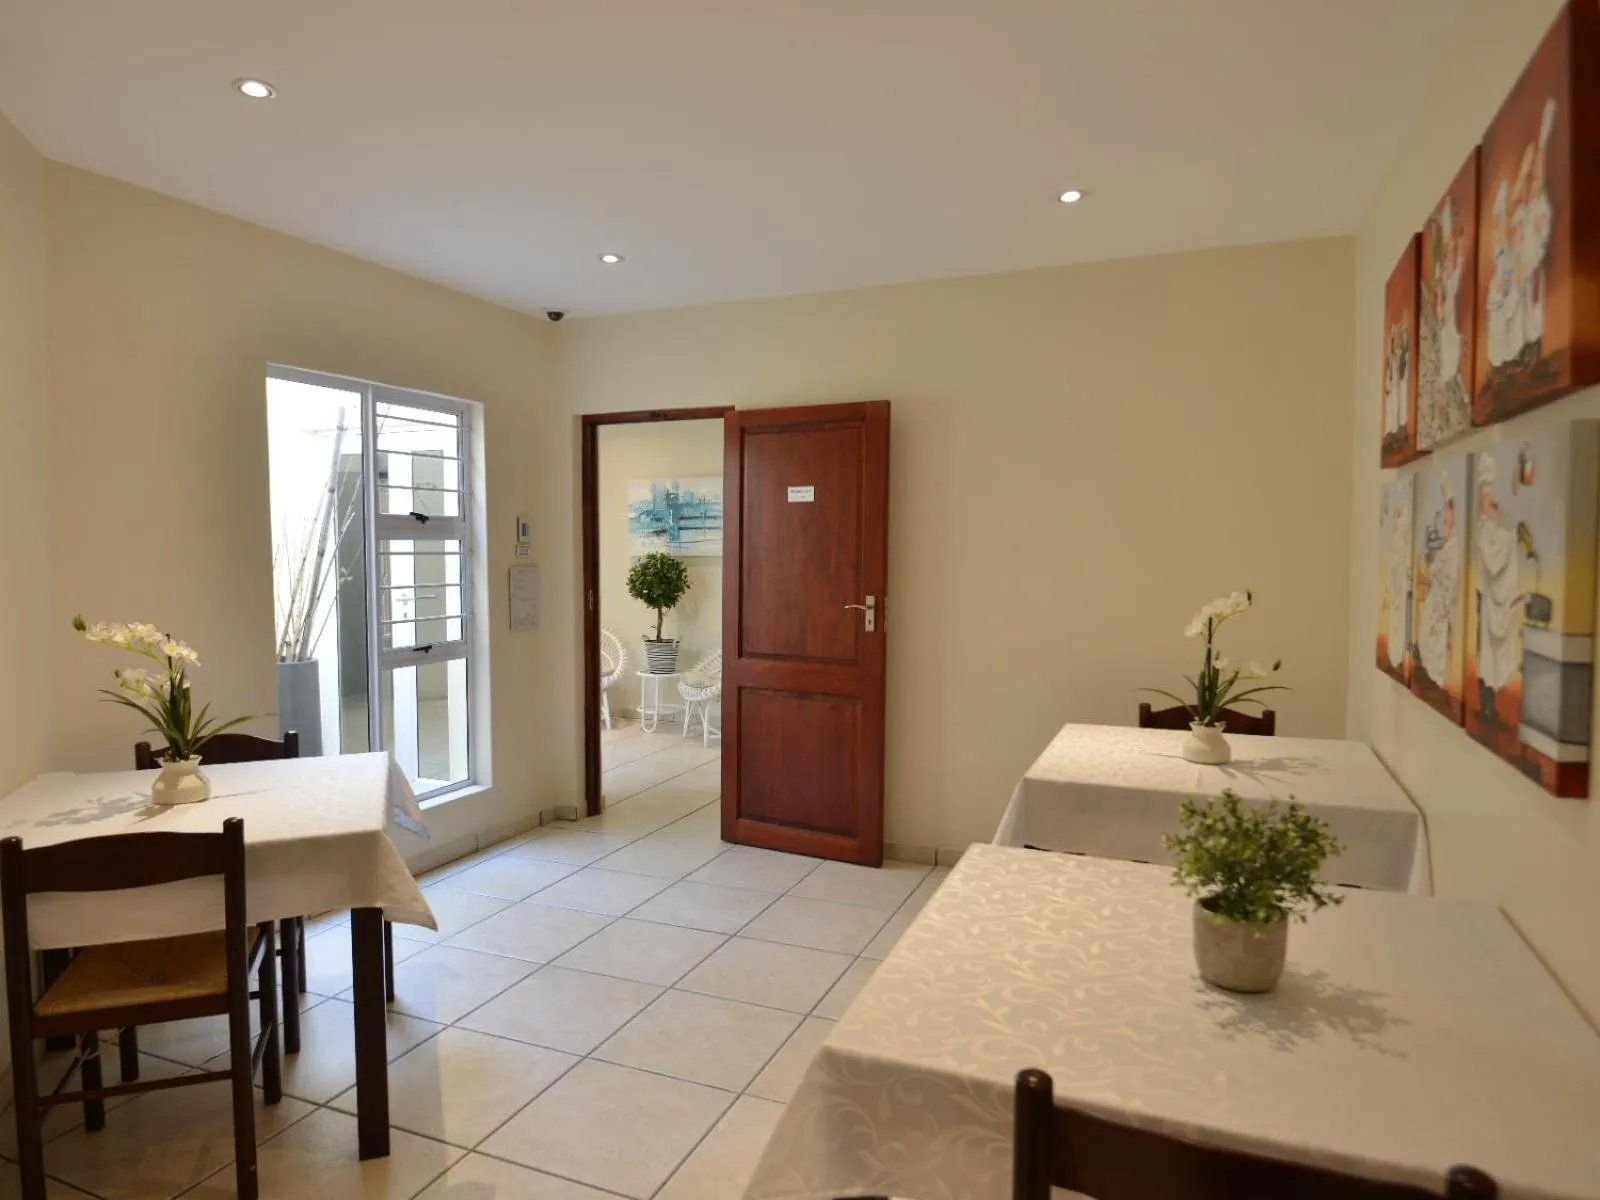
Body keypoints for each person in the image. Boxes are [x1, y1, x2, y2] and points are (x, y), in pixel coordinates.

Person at [1474, 453, 1522, 720]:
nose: (1488, 506)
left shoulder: (1496, 530)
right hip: (1485, 598)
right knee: (1485, 652)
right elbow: (1491, 561)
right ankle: (1486, 703)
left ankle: (1491, 705)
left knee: (1490, 651)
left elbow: (1496, 560)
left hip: (1491, 598)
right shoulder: (1488, 529)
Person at [1416, 472, 1459, 689]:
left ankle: (1436, 679)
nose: (1444, 518)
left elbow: (1447, 582)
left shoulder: (1454, 549)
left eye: (1447, 511)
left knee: (1435, 641)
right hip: (1436, 604)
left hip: (1442, 607)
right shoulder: (1447, 546)